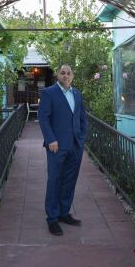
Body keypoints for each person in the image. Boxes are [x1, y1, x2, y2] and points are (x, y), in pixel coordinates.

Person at [38, 64, 88, 235]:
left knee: (69, 179)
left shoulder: (77, 94)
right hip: (56, 146)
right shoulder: (49, 93)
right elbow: (43, 118)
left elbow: (82, 118)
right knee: (54, 180)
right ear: (58, 75)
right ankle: (52, 218)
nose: (66, 75)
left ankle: (63, 212)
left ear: (72, 76)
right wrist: (50, 139)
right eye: (62, 73)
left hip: (75, 145)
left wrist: (82, 138)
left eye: (69, 73)